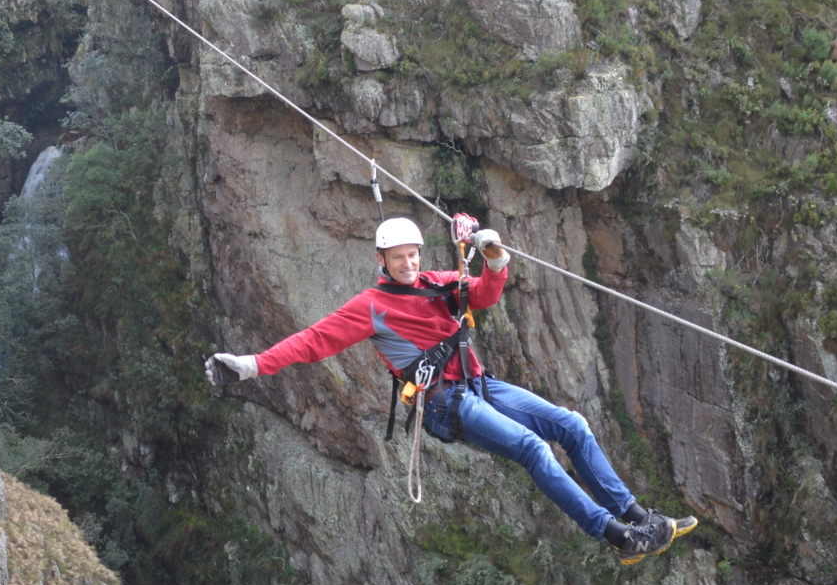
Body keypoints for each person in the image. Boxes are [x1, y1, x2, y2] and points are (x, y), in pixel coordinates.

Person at [205, 215, 695, 562]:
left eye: (412, 254)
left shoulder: (436, 281)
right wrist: (251, 365)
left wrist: (493, 256)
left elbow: (481, 292)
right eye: (398, 258)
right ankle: (614, 536)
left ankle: (638, 516)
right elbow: (312, 342)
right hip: (444, 403)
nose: (408, 263)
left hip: (480, 385)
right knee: (532, 448)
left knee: (571, 424)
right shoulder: (370, 306)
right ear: (382, 259)